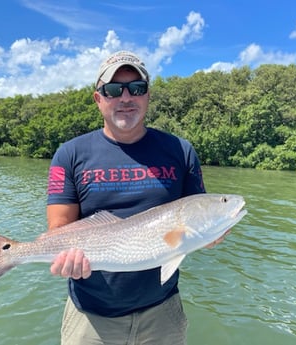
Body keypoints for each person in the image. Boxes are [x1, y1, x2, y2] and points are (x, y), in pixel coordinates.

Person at [46, 50, 229, 345]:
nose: (126, 97)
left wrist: (212, 234)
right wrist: (66, 258)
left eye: (137, 88)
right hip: (91, 317)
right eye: (114, 90)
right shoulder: (69, 154)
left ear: (148, 95)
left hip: (163, 313)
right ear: (98, 98)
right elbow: (59, 230)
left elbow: (195, 217)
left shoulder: (181, 151)